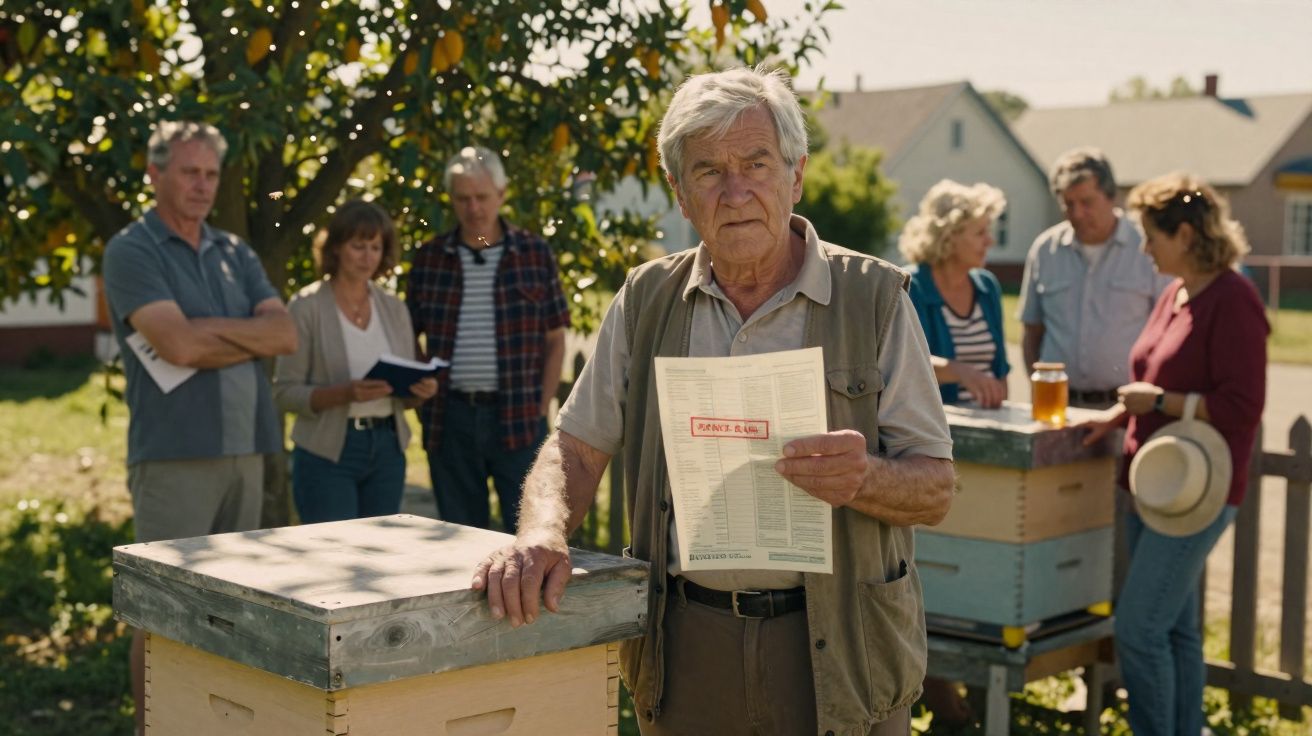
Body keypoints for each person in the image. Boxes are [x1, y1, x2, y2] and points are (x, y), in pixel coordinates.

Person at [470, 67, 956, 736]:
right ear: (679, 194)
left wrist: (864, 477)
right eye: (708, 172)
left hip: (840, 646)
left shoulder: (873, 298)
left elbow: (935, 487)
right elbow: (576, 450)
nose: (736, 192)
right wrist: (542, 530)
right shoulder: (647, 299)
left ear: (797, 174)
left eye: (757, 163)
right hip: (687, 643)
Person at [101, 120, 298, 736]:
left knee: (240, 609)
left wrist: (205, 330)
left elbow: (286, 335)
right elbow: (177, 347)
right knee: (164, 610)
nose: (202, 185)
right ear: (154, 173)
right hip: (175, 457)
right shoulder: (132, 250)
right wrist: (241, 333)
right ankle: (154, 727)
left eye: (211, 174)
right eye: (189, 171)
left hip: (251, 448)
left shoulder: (236, 252)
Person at [1081, 173, 1267, 735]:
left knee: (1138, 628)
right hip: (1152, 483)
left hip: (1197, 491)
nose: (1143, 247)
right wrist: (1129, 411)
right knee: (1177, 630)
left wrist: (1159, 399)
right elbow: (1158, 376)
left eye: (1150, 235)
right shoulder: (1176, 291)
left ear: (1184, 233)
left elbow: (1241, 406)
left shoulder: (1233, 299)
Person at [406, 146, 570, 534]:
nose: (473, 208)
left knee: (529, 532)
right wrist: (422, 394)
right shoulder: (430, 258)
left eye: (482, 197)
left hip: (517, 415)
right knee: (460, 535)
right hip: (449, 418)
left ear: (501, 194)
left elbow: (555, 340)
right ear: (451, 200)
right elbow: (406, 333)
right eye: (463, 198)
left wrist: (539, 405)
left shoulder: (533, 253)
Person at [273, 200, 437, 523]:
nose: (367, 256)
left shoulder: (394, 308)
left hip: (387, 449)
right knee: (331, 558)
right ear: (335, 249)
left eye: (375, 247)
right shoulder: (306, 307)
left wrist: (420, 390)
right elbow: (283, 393)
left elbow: (401, 393)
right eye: (358, 245)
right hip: (327, 452)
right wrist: (345, 394)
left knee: (380, 560)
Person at [1018, 147, 1171, 410]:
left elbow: (1168, 332)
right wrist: (1037, 385)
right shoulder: (1045, 250)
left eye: (1086, 202)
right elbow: (1032, 331)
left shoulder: (1147, 246)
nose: (1077, 213)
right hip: (1059, 408)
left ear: (1111, 197)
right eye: (1068, 204)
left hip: (1127, 409)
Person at [901, 179, 1010, 409]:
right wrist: (959, 371)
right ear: (949, 237)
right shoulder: (911, 286)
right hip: (932, 431)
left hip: (988, 427)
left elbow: (1000, 371)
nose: (990, 241)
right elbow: (904, 363)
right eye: (980, 232)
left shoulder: (987, 286)